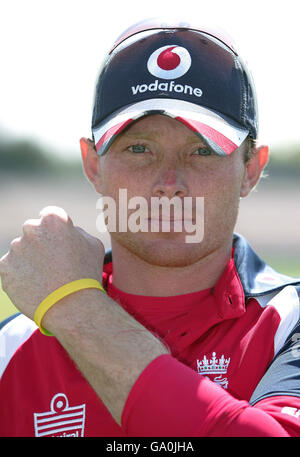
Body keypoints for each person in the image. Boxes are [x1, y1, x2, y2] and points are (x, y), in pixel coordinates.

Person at [0, 18, 300, 438]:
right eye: (139, 148)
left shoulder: (291, 324)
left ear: (251, 168)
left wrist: (76, 309)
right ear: (93, 165)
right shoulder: (9, 349)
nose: (169, 184)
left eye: (202, 150)